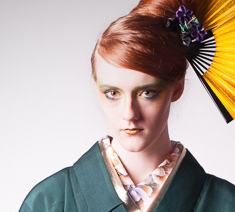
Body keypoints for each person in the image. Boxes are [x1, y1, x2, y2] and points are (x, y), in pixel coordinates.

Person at [19, 0, 235, 211]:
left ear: (177, 88)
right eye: (112, 93)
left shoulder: (225, 202)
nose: (129, 113)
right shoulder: (50, 201)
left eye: (147, 93)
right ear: (97, 89)